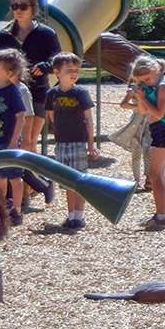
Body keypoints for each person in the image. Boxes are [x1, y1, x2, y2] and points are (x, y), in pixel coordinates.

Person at [0, 0, 59, 204]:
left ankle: (29, 190)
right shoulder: (4, 36)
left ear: (33, 9)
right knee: (8, 144)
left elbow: (55, 59)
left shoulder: (46, 34)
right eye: (15, 6)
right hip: (7, 96)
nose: (18, 10)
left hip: (36, 93)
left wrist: (46, 66)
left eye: (23, 6)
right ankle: (31, 189)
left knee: (29, 143)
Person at [44, 53, 98, 230]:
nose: (74, 73)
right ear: (57, 72)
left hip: (78, 141)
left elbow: (88, 120)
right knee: (68, 181)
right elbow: (52, 117)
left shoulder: (80, 93)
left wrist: (91, 144)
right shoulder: (52, 94)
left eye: (76, 70)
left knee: (79, 179)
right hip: (61, 143)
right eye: (69, 70)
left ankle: (79, 216)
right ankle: (71, 215)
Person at [129, 56, 165, 228]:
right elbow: (143, 111)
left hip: (164, 129)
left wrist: (143, 97)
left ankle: (161, 215)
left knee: (155, 175)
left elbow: (158, 113)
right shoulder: (151, 86)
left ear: (156, 71)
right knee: (159, 175)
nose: (146, 83)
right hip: (157, 129)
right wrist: (139, 97)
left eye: (147, 79)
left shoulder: (163, 86)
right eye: (142, 81)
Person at [0, 49, 28, 227]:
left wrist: (15, 140)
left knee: (14, 176)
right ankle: (2, 209)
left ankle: (17, 209)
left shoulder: (12, 91)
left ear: (9, 72)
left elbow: (20, 116)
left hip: (9, 139)